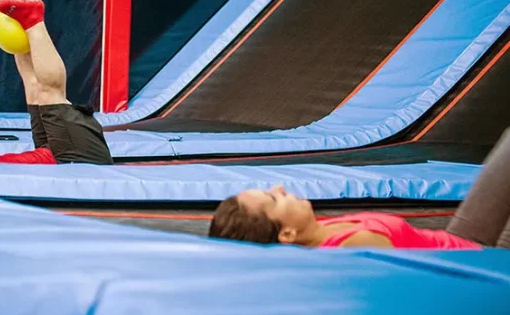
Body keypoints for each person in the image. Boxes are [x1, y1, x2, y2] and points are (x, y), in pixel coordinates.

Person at [208, 128, 510, 249]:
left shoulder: (316, 232)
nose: (280, 187)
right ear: (286, 234)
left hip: (460, 240)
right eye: (273, 198)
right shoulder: (354, 246)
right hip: (481, 256)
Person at [0, 0, 113, 165]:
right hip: (79, 156)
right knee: (48, 93)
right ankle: (32, 20)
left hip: (60, 155)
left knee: (35, 91)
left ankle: (24, 21)